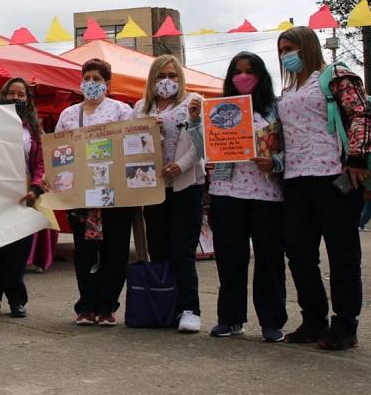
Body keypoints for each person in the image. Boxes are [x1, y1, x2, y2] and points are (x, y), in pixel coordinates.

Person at [276, 26, 371, 350]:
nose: (285, 54)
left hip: (334, 175)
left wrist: (358, 158)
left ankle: (345, 324)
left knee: (342, 253)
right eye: (282, 49)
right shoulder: (288, 91)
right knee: (299, 252)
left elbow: (360, 113)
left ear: (307, 47)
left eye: (290, 47)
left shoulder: (335, 76)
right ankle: (313, 319)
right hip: (295, 178)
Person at [188, 52, 287, 342]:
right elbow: (206, 150)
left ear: (261, 75)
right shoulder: (219, 109)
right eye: (237, 72)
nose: (243, 77)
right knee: (230, 258)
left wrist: (275, 162)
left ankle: (271, 321)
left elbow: (289, 148)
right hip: (226, 190)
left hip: (267, 193)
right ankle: (230, 319)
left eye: (250, 71)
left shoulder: (275, 110)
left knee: (269, 259)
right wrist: (196, 122)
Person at [54, 59, 134, 326]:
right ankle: (85, 306)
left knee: (115, 250)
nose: (91, 83)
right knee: (85, 250)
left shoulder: (122, 110)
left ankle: (107, 306)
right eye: (87, 77)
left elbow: (130, 145)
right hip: (81, 194)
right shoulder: (68, 115)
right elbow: (58, 152)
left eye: (97, 79)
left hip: (116, 193)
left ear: (107, 84)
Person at [134, 54, 206, 333]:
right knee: (159, 247)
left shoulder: (193, 103)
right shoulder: (140, 107)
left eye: (173, 76)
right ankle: (165, 304)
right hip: (153, 189)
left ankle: (190, 308)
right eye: (161, 76)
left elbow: (201, 142)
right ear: (152, 79)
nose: (167, 81)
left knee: (182, 249)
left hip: (186, 185)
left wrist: (182, 165)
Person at [0, 77, 45, 318]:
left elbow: (41, 164)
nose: (15, 98)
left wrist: (35, 189)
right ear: (3, 95)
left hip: (22, 197)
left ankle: (17, 300)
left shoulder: (34, 129)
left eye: (21, 94)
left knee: (17, 253)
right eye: (11, 93)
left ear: (28, 99)